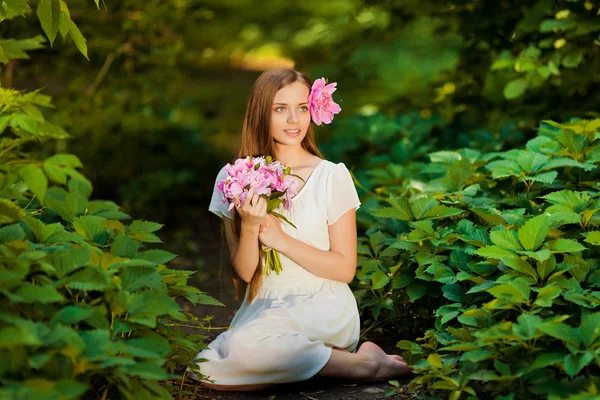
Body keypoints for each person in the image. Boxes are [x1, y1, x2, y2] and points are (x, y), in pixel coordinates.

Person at [192, 67, 411, 391]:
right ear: (260, 113)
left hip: (322, 303)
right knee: (207, 366)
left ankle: (355, 363)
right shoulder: (234, 176)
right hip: (265, 306)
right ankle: (354, 363)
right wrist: (251, 227)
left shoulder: (331, 175)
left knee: (238, 355)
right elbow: (245, 273)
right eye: (280, 109)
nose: (294, 120)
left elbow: (345, 268)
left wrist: (280, 240)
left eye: (302, 108)